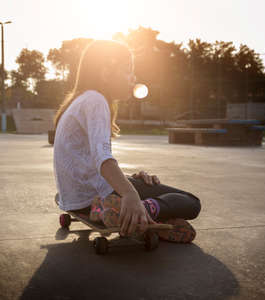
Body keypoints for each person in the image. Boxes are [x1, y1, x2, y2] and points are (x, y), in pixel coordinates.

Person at [53, 40, 201, 243]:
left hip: (76, 199)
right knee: (191, 203)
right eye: (128, 70)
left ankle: (132, 213)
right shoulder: (96, 100)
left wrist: (130, 179)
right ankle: (140, 211)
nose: (134, 78)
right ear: (106, 73)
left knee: (142, 185)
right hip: (98, 195)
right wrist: (131, 194)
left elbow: (89, 161)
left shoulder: (79, 100)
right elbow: (102, 159)